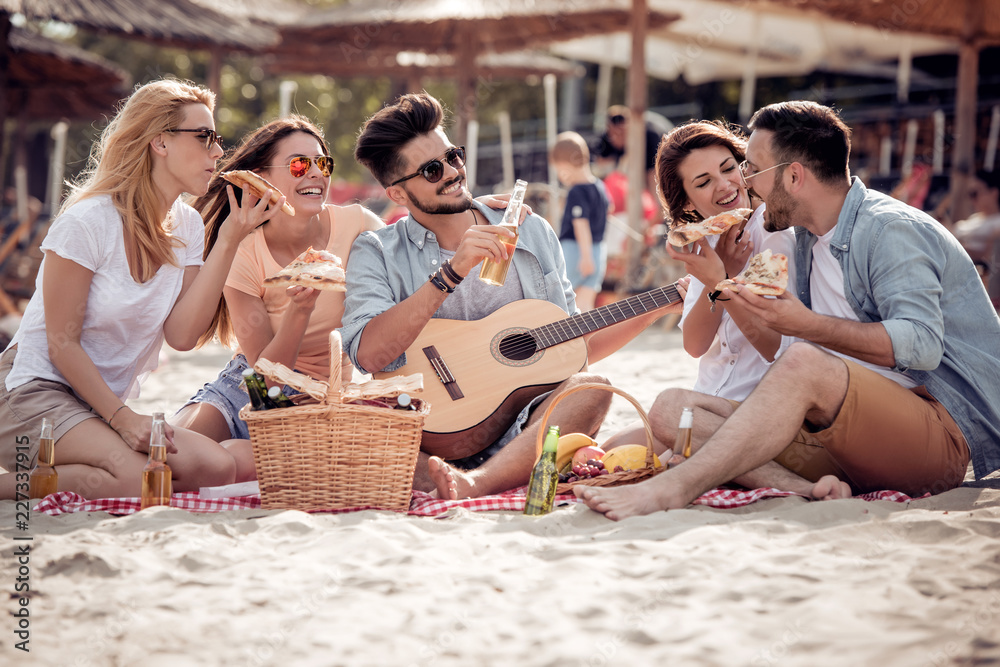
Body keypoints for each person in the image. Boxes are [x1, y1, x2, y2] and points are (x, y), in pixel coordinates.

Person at [577, 100, 1000, 520]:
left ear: (793, 175)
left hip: (935, 432)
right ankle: (805, 491)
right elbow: (709, 342)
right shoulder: (803, 238)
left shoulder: (890, 229)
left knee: (802, 362)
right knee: (670, 409)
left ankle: (673, 488)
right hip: (834, 425)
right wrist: (723, 276)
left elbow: (920, 346)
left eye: (749, 170)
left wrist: (800, 321)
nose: (743, 185)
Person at [345, 92, 681, 500]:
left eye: (454, 156)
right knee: (358, 429)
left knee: (590, 388)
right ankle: (489, 473)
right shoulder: (377, 250)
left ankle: (478, 483)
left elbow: (577, 345)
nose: (453, 172)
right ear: (398, 194)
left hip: (528, 424)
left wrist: (663, 302)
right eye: (433, 170)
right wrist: (451, 273)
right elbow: (368, 355)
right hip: (430, 432)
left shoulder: (530, 230)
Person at [0, 79, 274, 499]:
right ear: (160, 142)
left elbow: (182, 336)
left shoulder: (187, 226)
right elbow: (61, 343)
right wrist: (123, 419)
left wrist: (230, 239)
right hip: (31, 392)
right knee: (139, 478)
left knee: (216, 467)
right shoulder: (87, 222)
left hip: (98, 408)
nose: (218, 152)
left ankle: (68, 466)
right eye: (205, 138)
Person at [169, 116, 384, 480]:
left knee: (225, 464)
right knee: (166, 455)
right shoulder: (242, 251)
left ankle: (229, 459)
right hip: (250, 383)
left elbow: (414, 244)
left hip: (325, 397)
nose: (315, 173)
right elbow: (265, 381)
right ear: (261, 178)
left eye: (323, 163)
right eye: (299, 165)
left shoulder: (358, 225)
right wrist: (300, 310)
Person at [602, 121, 795, 453]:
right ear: (688, 203)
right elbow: (694, 344)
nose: (724, 185)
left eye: (728, 169)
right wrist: (716, 278)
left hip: (757, 405)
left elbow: (773, 348)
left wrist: (721, 282)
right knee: (608, 451)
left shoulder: (773, 235)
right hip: (709, 397)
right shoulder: (707, 242)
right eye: (704, 182)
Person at [550, 131, 611, 311]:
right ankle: (587, 339)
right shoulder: (600, 186)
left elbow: (580, 223)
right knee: (585, 306)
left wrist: (585, 257)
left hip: (577, 252)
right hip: (598, 252)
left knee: (559, 301)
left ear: (563, 164)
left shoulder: (576, 191)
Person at [952, 170, 1000, 300]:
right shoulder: (973, 219)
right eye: (970, 194)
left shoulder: (997, 223)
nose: (971, 198)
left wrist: (954, 246)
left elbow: (990, 256)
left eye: (975, 193)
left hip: (973, 278)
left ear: (993, 193)